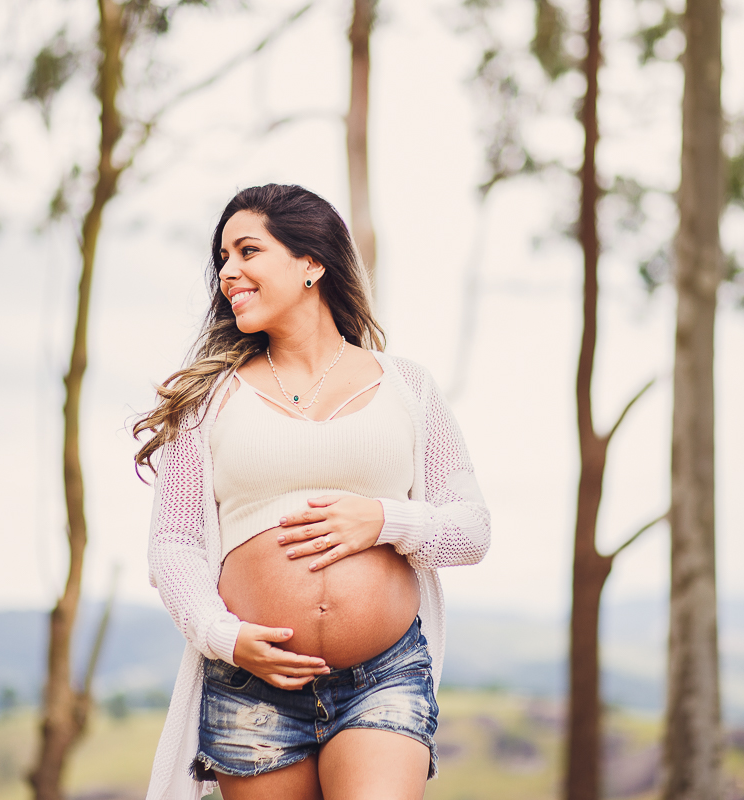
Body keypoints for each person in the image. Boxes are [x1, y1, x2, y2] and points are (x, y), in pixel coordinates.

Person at [133, 184, 491, 800]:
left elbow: (472, 530)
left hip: (383, 675)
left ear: (311, 262)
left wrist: (384, 521)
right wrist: (224, 637)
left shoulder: (407, 386)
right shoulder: (207, 402)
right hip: (252, 685)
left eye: (247, 251)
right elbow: (173, 544)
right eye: (222, 259)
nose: (228, 273)